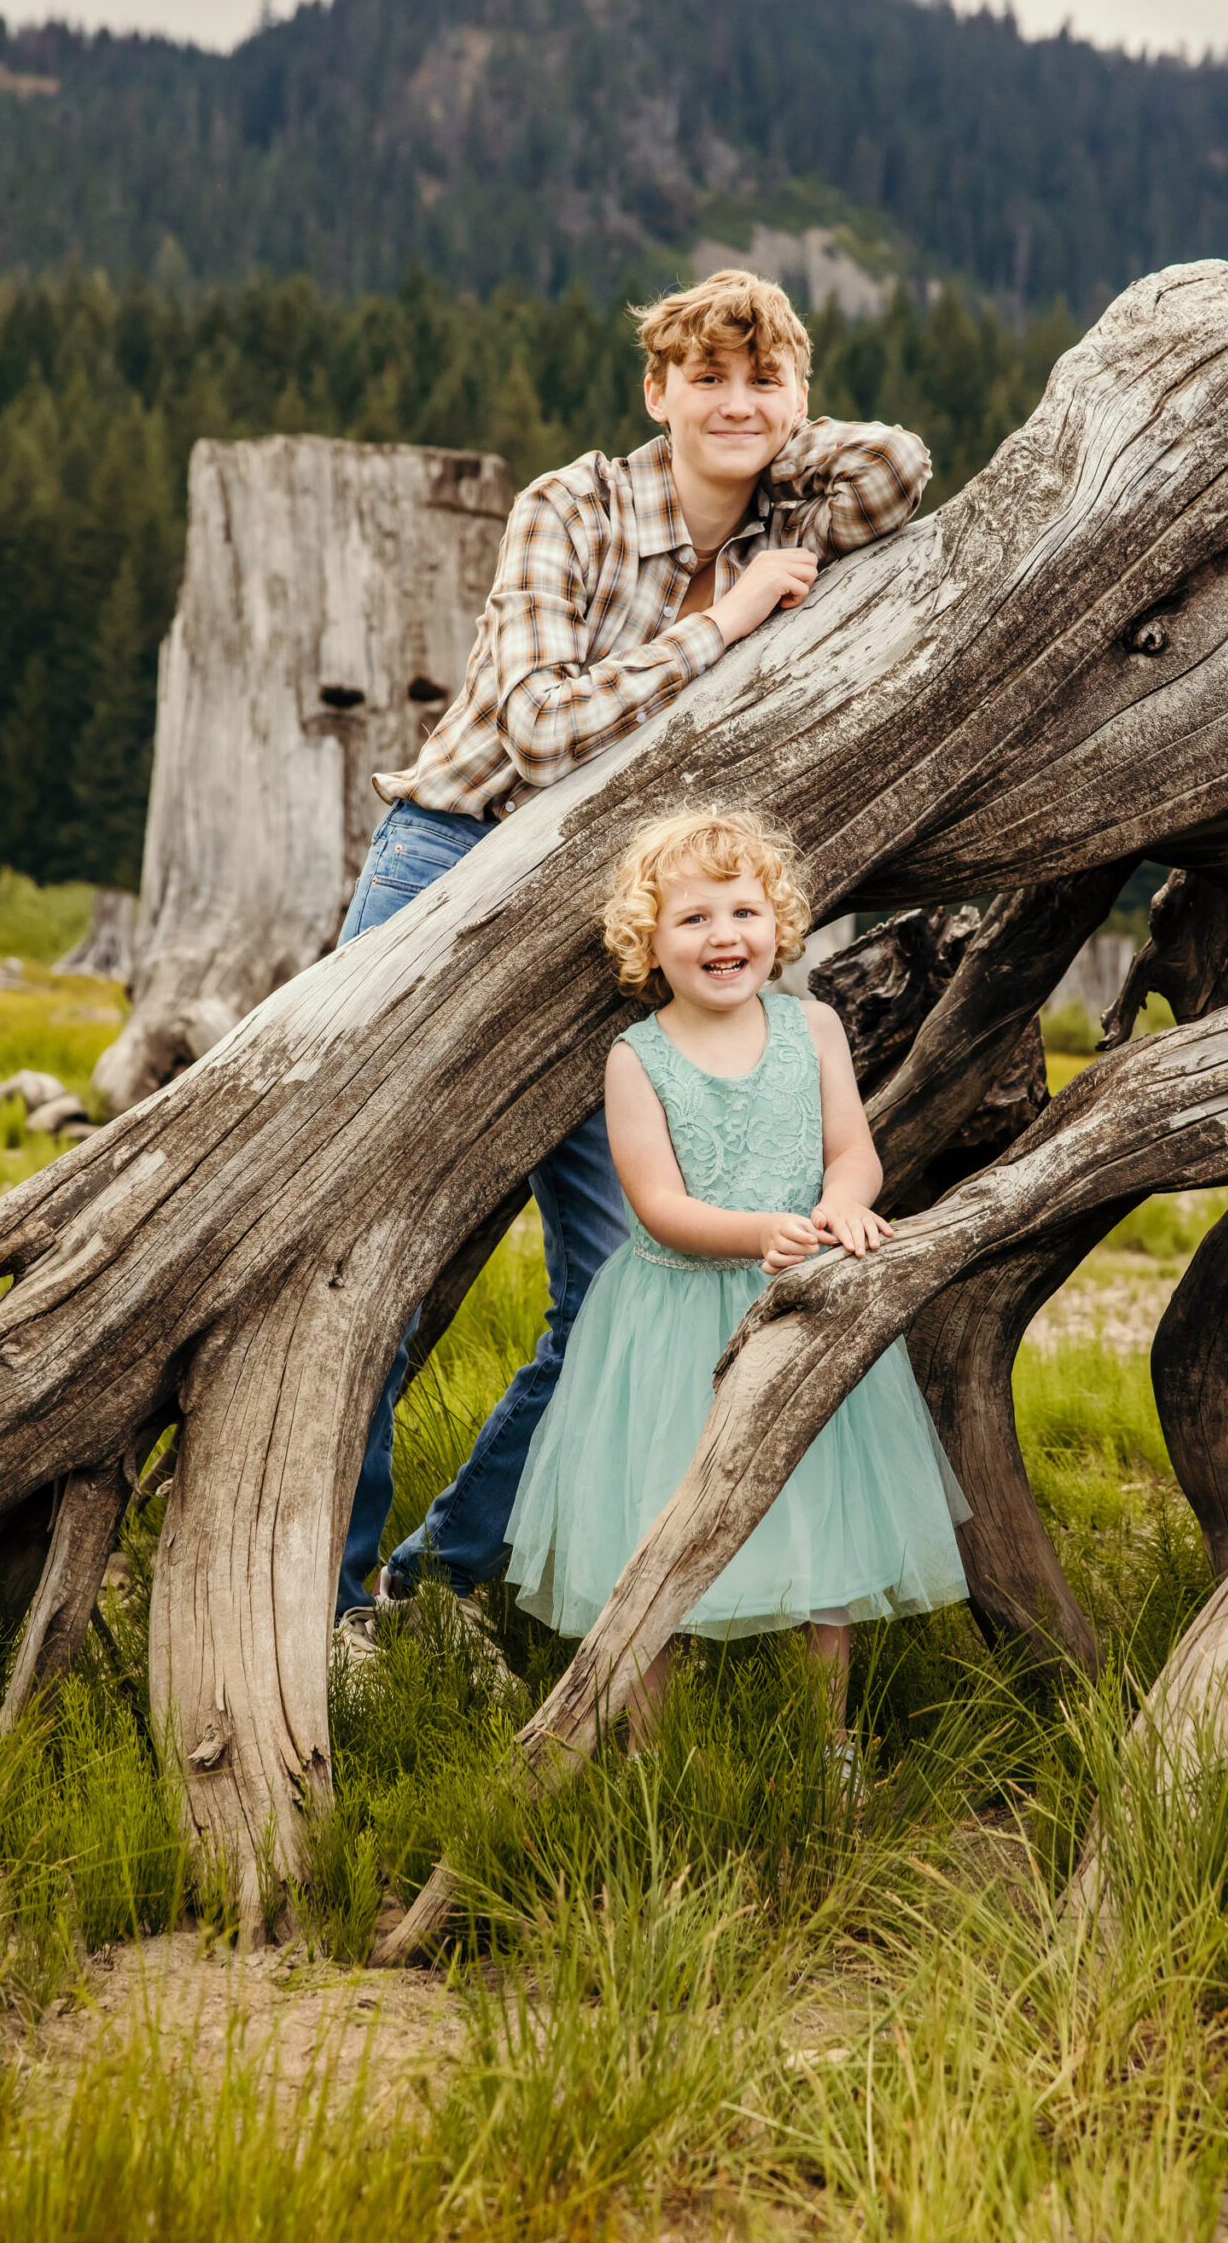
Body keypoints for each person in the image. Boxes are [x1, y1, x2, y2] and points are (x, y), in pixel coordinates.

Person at [335, 268, 933, 1642]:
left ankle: (446, 1580)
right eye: (704, 378)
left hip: (630, 916)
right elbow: (543, 731)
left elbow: (899, 467)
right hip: (461, 866)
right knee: (376, 1252)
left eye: (763, 379)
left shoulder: (790, 503)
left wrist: (782, 444)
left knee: (618, 1282)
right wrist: (722, 621)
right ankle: (327, 1589)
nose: (734, 401)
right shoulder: (575, 508)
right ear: (652, 391)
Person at [504, 808, 970, 1743]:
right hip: (674, 1320)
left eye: (744, 912)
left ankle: (824, 1743)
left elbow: (855, 1152)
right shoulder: (638, 1057)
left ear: (779, 924)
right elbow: (657, 1206)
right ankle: (654, 1749)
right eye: (694, 919)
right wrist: (764, 1228)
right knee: (658, 1524)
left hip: (800, 1306)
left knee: (823, 1518)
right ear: (650, 944)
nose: (725, 936)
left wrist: (842, 1202)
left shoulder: (813, 1027)